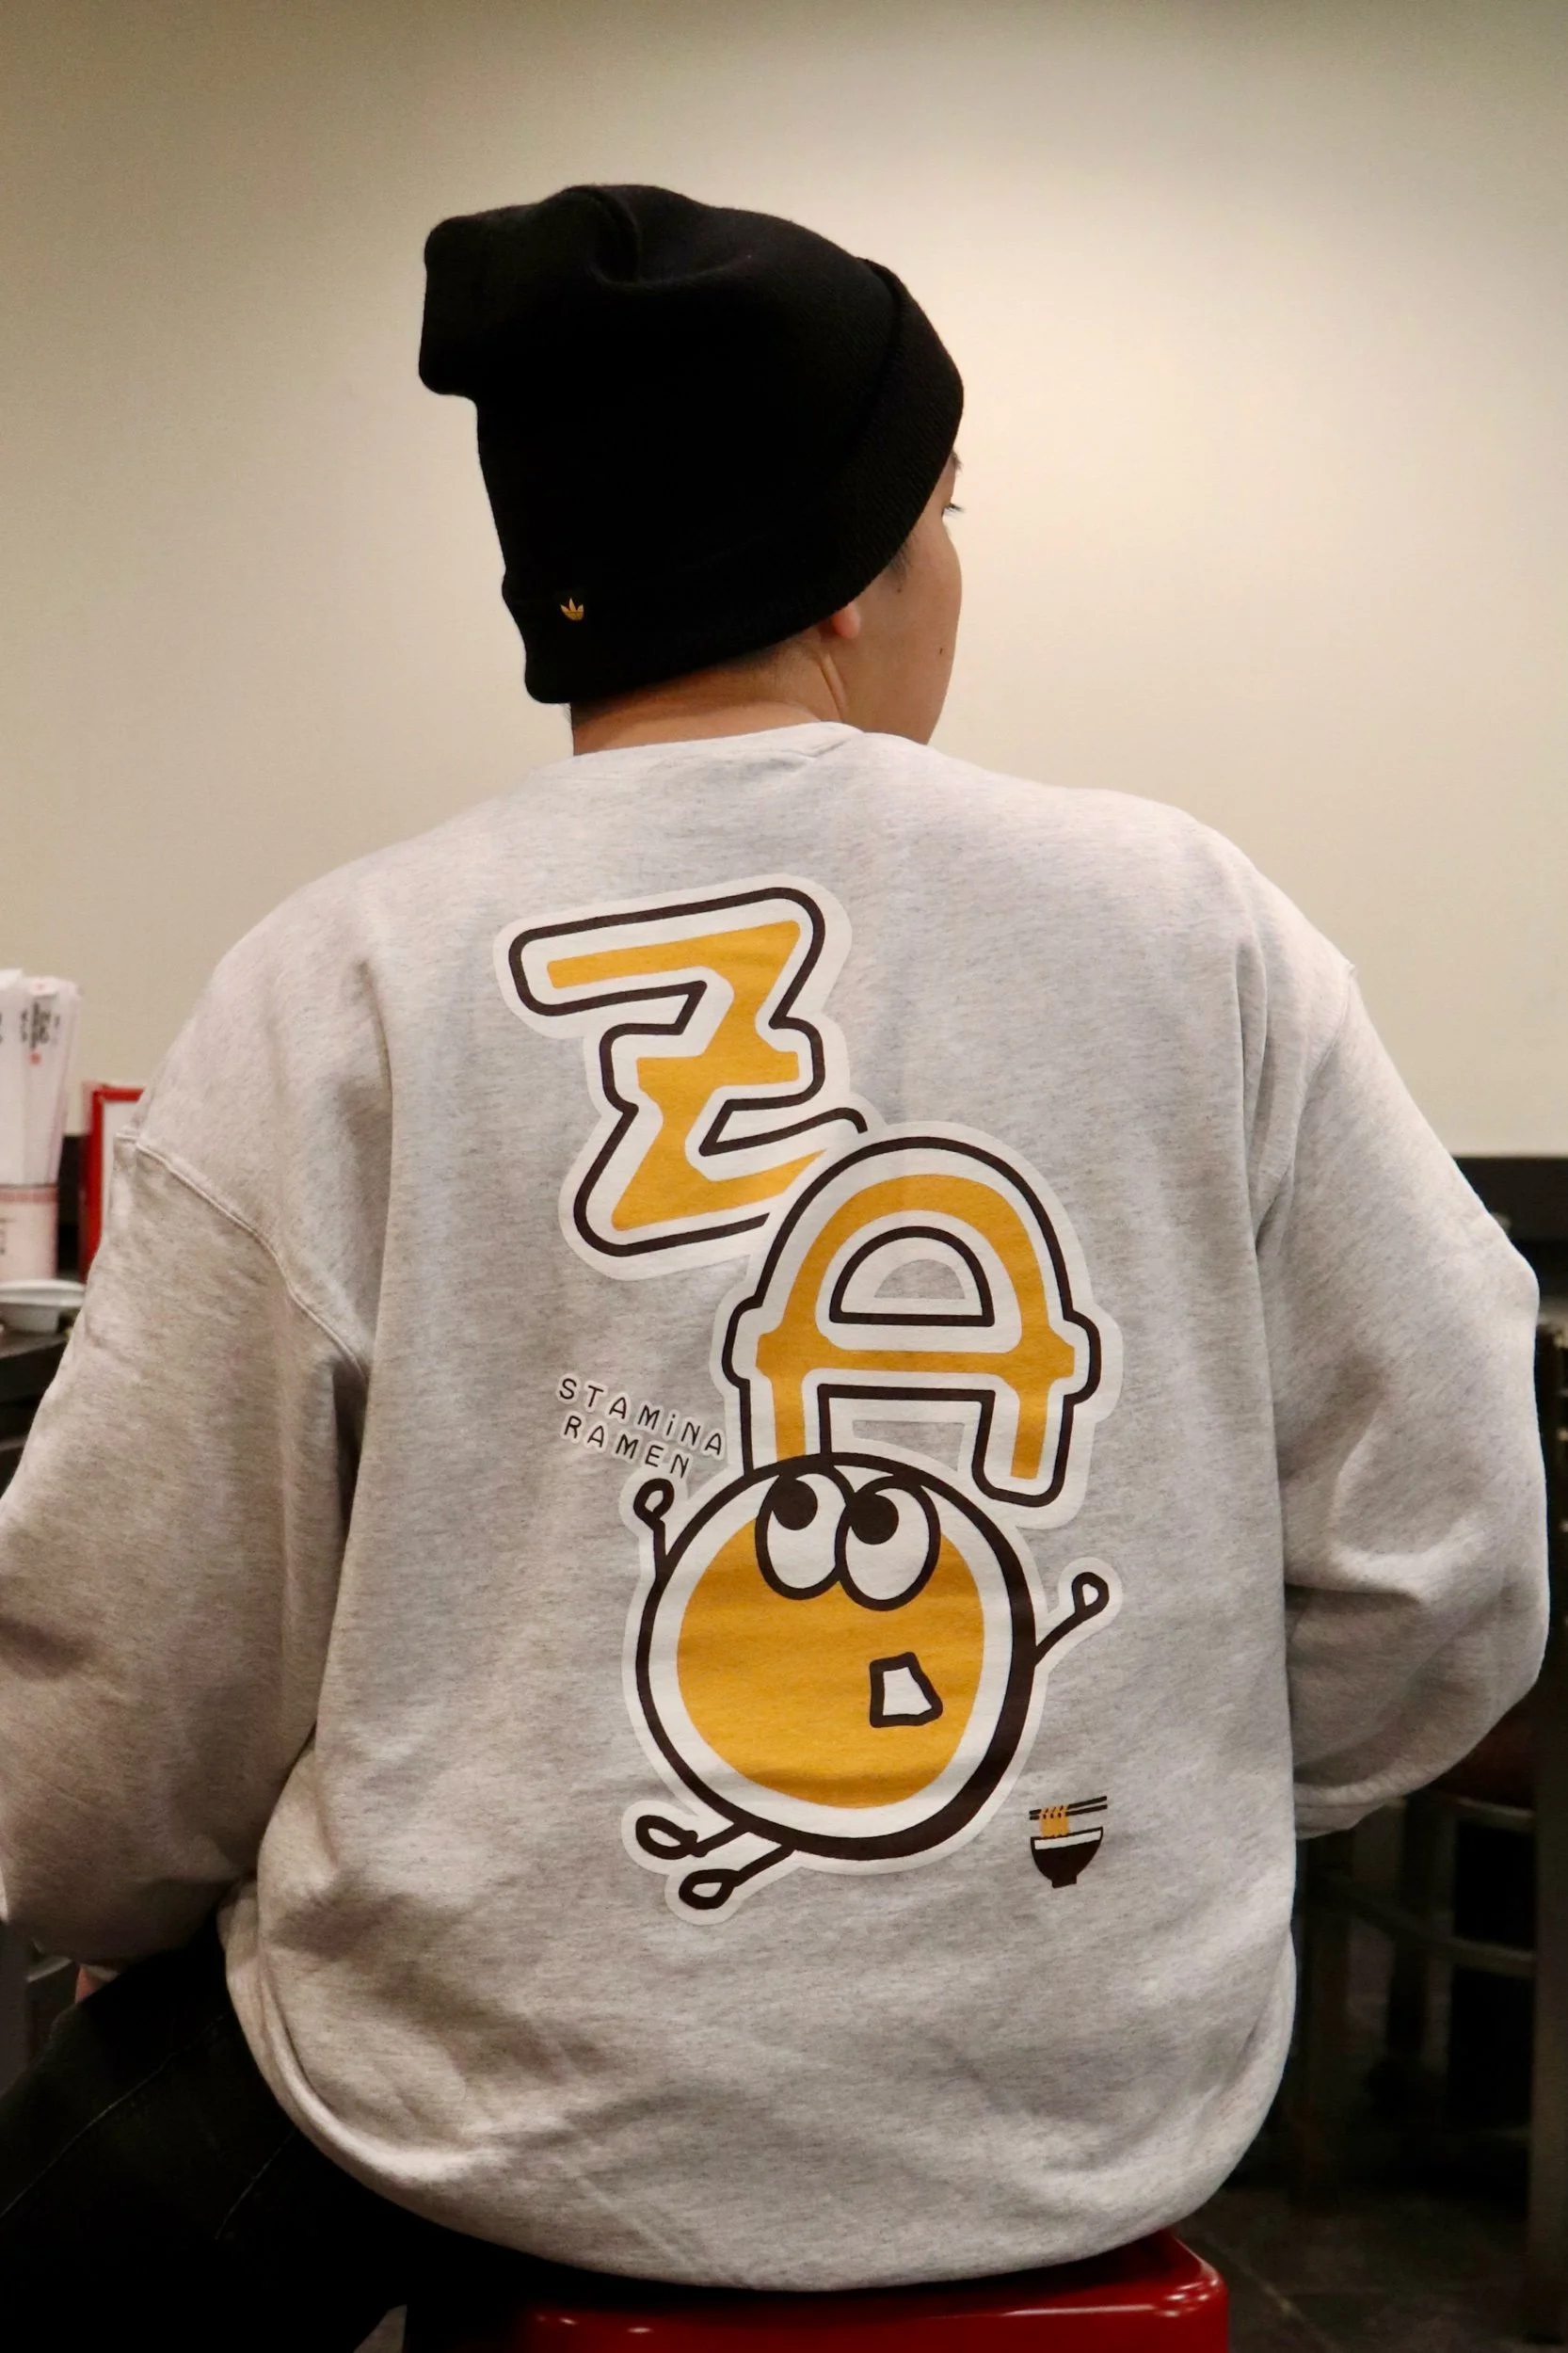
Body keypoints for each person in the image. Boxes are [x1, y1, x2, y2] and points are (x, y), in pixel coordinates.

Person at [0, 184, 1548, 2348]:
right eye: (941, 508)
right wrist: (1154, 1778)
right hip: (1092, 2095)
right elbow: (1448, 1552)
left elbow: (123, 1689)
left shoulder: (339, 976)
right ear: (847, 566)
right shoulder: (1195, 927)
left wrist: (133, 1891)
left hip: (480, 2103)